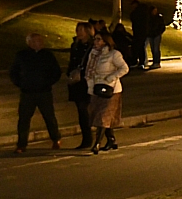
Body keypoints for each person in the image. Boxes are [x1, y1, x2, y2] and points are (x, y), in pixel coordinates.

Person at [10, 33, 62, 153]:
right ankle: (21, 144)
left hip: (44, 92)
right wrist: (21, 83)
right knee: (24, 119)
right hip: (27, 92)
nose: (39, 43)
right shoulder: (22, 55)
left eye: (40, 41)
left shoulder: (48, 55)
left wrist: (48, 82)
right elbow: (14, 72)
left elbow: (56, 72)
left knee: (49, 117)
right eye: (35, 41)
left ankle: (56, 139)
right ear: (29, 43)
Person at [85, 29, 129, 154]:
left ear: (105, 42)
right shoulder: (93, 54)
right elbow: (89, 71)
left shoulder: (113, 54)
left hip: (111, 90)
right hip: (97, 88)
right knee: (98, 115)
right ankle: (111, 139)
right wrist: (90, 86)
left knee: (103, 116)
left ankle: (97, 143)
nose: (96, 42)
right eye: (95, 39)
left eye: (99, 39)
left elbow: (124, 68)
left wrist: (110, 77)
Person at [66, 22, 94, 150]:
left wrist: (82, 74)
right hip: (76, 82)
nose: (78, 32)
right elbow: (72, 61)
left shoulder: (92, 46)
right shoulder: (75, 45)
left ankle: (90, 138)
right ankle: (86, 138)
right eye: (77, 29)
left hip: (87, 81)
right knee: (81, 110)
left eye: (81, 30)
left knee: (85, 109)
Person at [130, 0, 148, 69]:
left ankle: (136, 61)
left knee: (137, 47)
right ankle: (141, 62)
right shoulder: (143, 13)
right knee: (141, 47)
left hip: (139, 33)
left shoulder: (137, 13)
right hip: (142, 33)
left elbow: (134, 19)